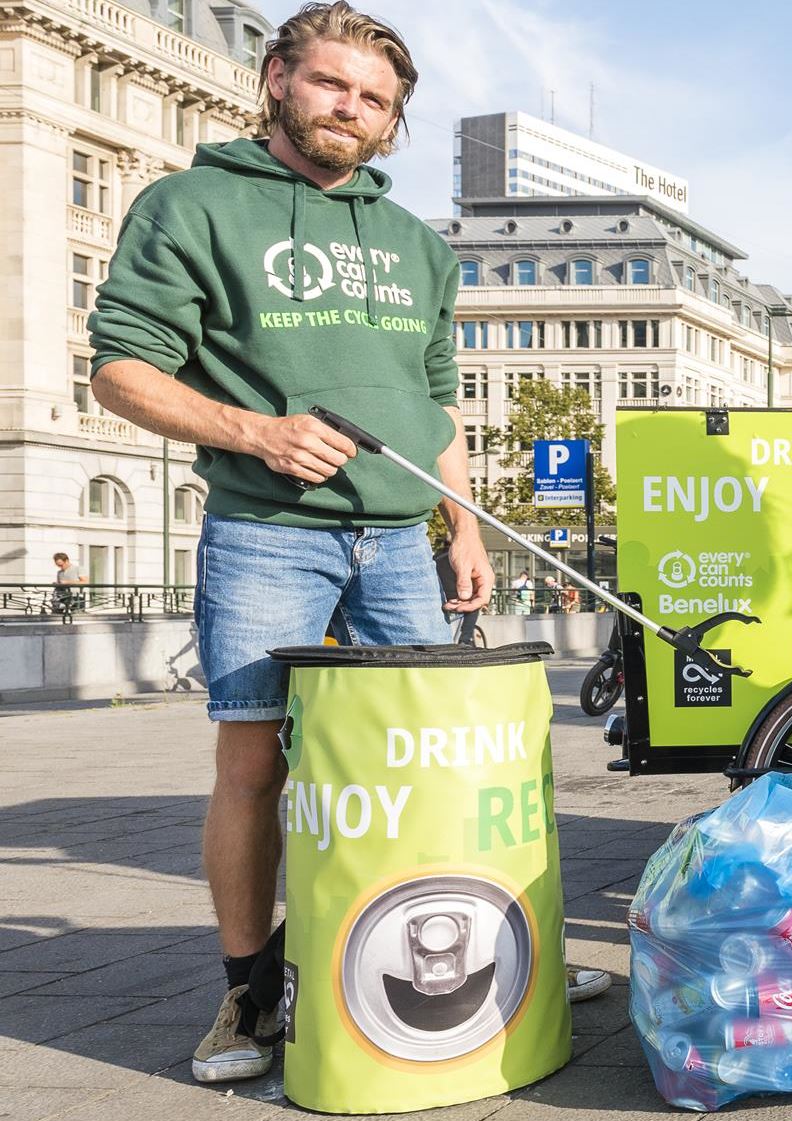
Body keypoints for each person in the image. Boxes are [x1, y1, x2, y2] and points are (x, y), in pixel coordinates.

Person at [86, 3, 602, 1086]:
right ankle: (248, 988)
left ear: (392, 122)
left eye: (374, 101)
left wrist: (461, 525)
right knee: (252, 759)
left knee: (430, 760)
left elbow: (436, 401)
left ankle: (466, 939)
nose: (349, 111)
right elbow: (120, 368)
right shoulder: (191, 204)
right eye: (329, 85)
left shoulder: (416, 243)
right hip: (265, 531)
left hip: (398, 538)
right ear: (276, 78)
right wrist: (253, 430)